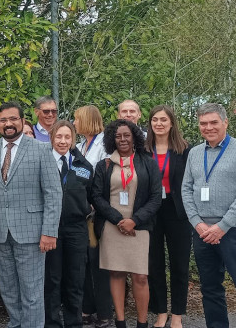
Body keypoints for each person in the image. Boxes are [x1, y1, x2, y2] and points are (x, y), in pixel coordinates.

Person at [0, 102, 61, 328]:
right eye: (3, 120)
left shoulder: (41, 150)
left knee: (32, 290)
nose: (9, 124)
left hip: (32, 234)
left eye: (13, 119)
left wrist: (49, 232)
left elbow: (53, 194)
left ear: (23, 121)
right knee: (8, 288)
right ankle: (16, 323)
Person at [181, 103, 236, 328]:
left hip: (234, 231)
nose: (208, 127)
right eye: (203, 123)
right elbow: (186, 190)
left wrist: (223, 226)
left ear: (225, 122)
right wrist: (197, 224)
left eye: (213, 122)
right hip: (202, 233)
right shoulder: (195, 153)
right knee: (210, 289)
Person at [91, 120, 162, 328]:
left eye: (126, 135)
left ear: (134, 138)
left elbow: (156, 197)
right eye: (118, 136)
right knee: (116, 273)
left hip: (138, 227)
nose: (122, 139)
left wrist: (134, 220)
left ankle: (142, 323)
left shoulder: (148, 163)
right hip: (112, 227)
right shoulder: (104, 165)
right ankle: (120, 322)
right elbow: (96, 196)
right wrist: (118, 220)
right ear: (112, 139)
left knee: (140, 276)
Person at [43, 120, 93, 328]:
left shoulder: (84, 166)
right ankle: (52, 323)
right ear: (51, 138)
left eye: (67, 137)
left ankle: (74, 322)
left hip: (76, 229)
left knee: (75, 278)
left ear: (73, 139)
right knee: (52, 280)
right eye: (58, 137)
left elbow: (91, 196)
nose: (63, 141)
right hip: (50, 229)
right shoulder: (42, 162)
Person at [146, 105, 192, 328]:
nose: (159, 124)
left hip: (178, 211)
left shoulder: (185, 150)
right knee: (154, 264)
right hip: (151, 211)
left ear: (172, 123)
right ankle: (161, 312)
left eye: (163, 119)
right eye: (155, 120)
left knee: (179, 265)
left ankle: (177, 315)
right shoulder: (143, 150)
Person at [73, 105, 113, 327]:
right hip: (83, 213)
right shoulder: (79, 146)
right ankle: (87, 309)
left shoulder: (105, 146)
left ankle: (105, 313)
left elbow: (106, 179)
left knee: (99, 264)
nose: (74, 123)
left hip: (99, 212)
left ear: (87, 120)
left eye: (77, 119)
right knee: (86, 262)